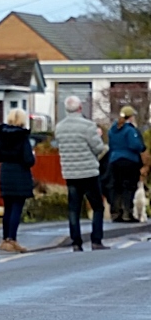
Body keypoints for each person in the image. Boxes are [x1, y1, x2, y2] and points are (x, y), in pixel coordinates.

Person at [55, 96, 107, 252]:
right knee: (97, 207)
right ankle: (96, 241)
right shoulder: (88, 126)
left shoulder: (59, 127)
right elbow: (98, 148)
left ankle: (76, 242)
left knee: (74, 209)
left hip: (70, 173)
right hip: (89, 172)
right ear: (80, 108)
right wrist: (99, 138)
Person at [0, 108, 35, 253]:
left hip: (5, 172)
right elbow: (28, 159)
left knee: (8, 208)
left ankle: (5, 239)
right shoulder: (22, 136)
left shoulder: (1, 135)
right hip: (20, 174)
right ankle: (12, 239)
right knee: (17, 208)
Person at [108, 105, 146, 222]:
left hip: (114, 161)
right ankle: (127, 213)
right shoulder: (130, 130)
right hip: (129, 161)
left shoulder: (112, 130)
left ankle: (115, 212)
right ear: (131, 117)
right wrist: (142, 147)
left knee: (116, 187)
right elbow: (135, 145)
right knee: (128, 187)